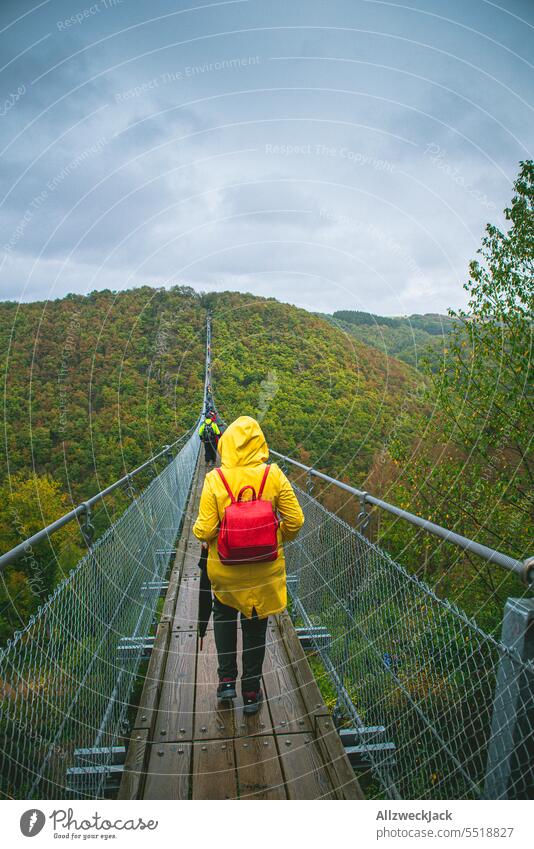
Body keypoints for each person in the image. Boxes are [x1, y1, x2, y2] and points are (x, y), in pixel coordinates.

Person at [192, 415, 304, 713]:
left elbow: (204, 531)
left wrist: (217, 535)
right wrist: (275, 536)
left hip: (226, 571)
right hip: (264, 570)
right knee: (255, 625)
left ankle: (227, 679)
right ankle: (252, 693)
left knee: (224, 613)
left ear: (226, 444)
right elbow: (296, 520)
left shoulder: (215, 479)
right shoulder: (274, 475)